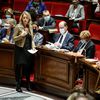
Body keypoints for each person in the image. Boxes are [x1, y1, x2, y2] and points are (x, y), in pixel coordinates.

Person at [13, 11, 35, 92]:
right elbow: (14, 38)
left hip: (28, 50)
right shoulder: (18, 27)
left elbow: (31, 39)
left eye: (27, 18)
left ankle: (28, 85)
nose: (25, 19)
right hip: (20, 49)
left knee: (27, 68)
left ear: (29, 19)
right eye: (24, 17)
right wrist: (21, 35)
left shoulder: (30, 27)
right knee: (19, 67)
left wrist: (33, 46)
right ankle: (18, 85)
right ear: (21, 18)